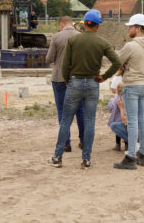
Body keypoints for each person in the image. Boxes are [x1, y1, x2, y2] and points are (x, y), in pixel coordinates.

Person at [48, 9, 121, 168]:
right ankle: (86, 159)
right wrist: (104, 76)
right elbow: (117, 62)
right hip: (93, 84)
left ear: (84, 24)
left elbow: (65, 65)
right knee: (89, 122)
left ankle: (57, 157)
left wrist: (68, 81)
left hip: (74, 82)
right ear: (98, 25)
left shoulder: (74, 41)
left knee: (66, 120)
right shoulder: (102, 42)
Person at [114, 14, 144, 170]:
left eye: (131, 27)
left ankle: (131, 156)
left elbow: (118, 62)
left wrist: (123, 68)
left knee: (132, 122)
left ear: (138, 28)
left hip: (131, 84)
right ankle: (142, 155)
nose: (128, 29)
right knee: (140, 119)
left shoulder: (130, 45)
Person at [46, 15, 84, 153]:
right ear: (71, 23)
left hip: (59, 78)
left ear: (61, 24)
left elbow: (49, 58)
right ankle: (83, 140)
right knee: (80, 110)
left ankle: (66, 143)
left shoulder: (56, 37)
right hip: (77, 78)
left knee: (63, 111)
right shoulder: (81, 36)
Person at [108, 76, 144, 157]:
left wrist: (121, 108)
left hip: (140, 132)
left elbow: (125, 121)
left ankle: (135, 143)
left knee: (114, 126)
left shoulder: (130, 100)